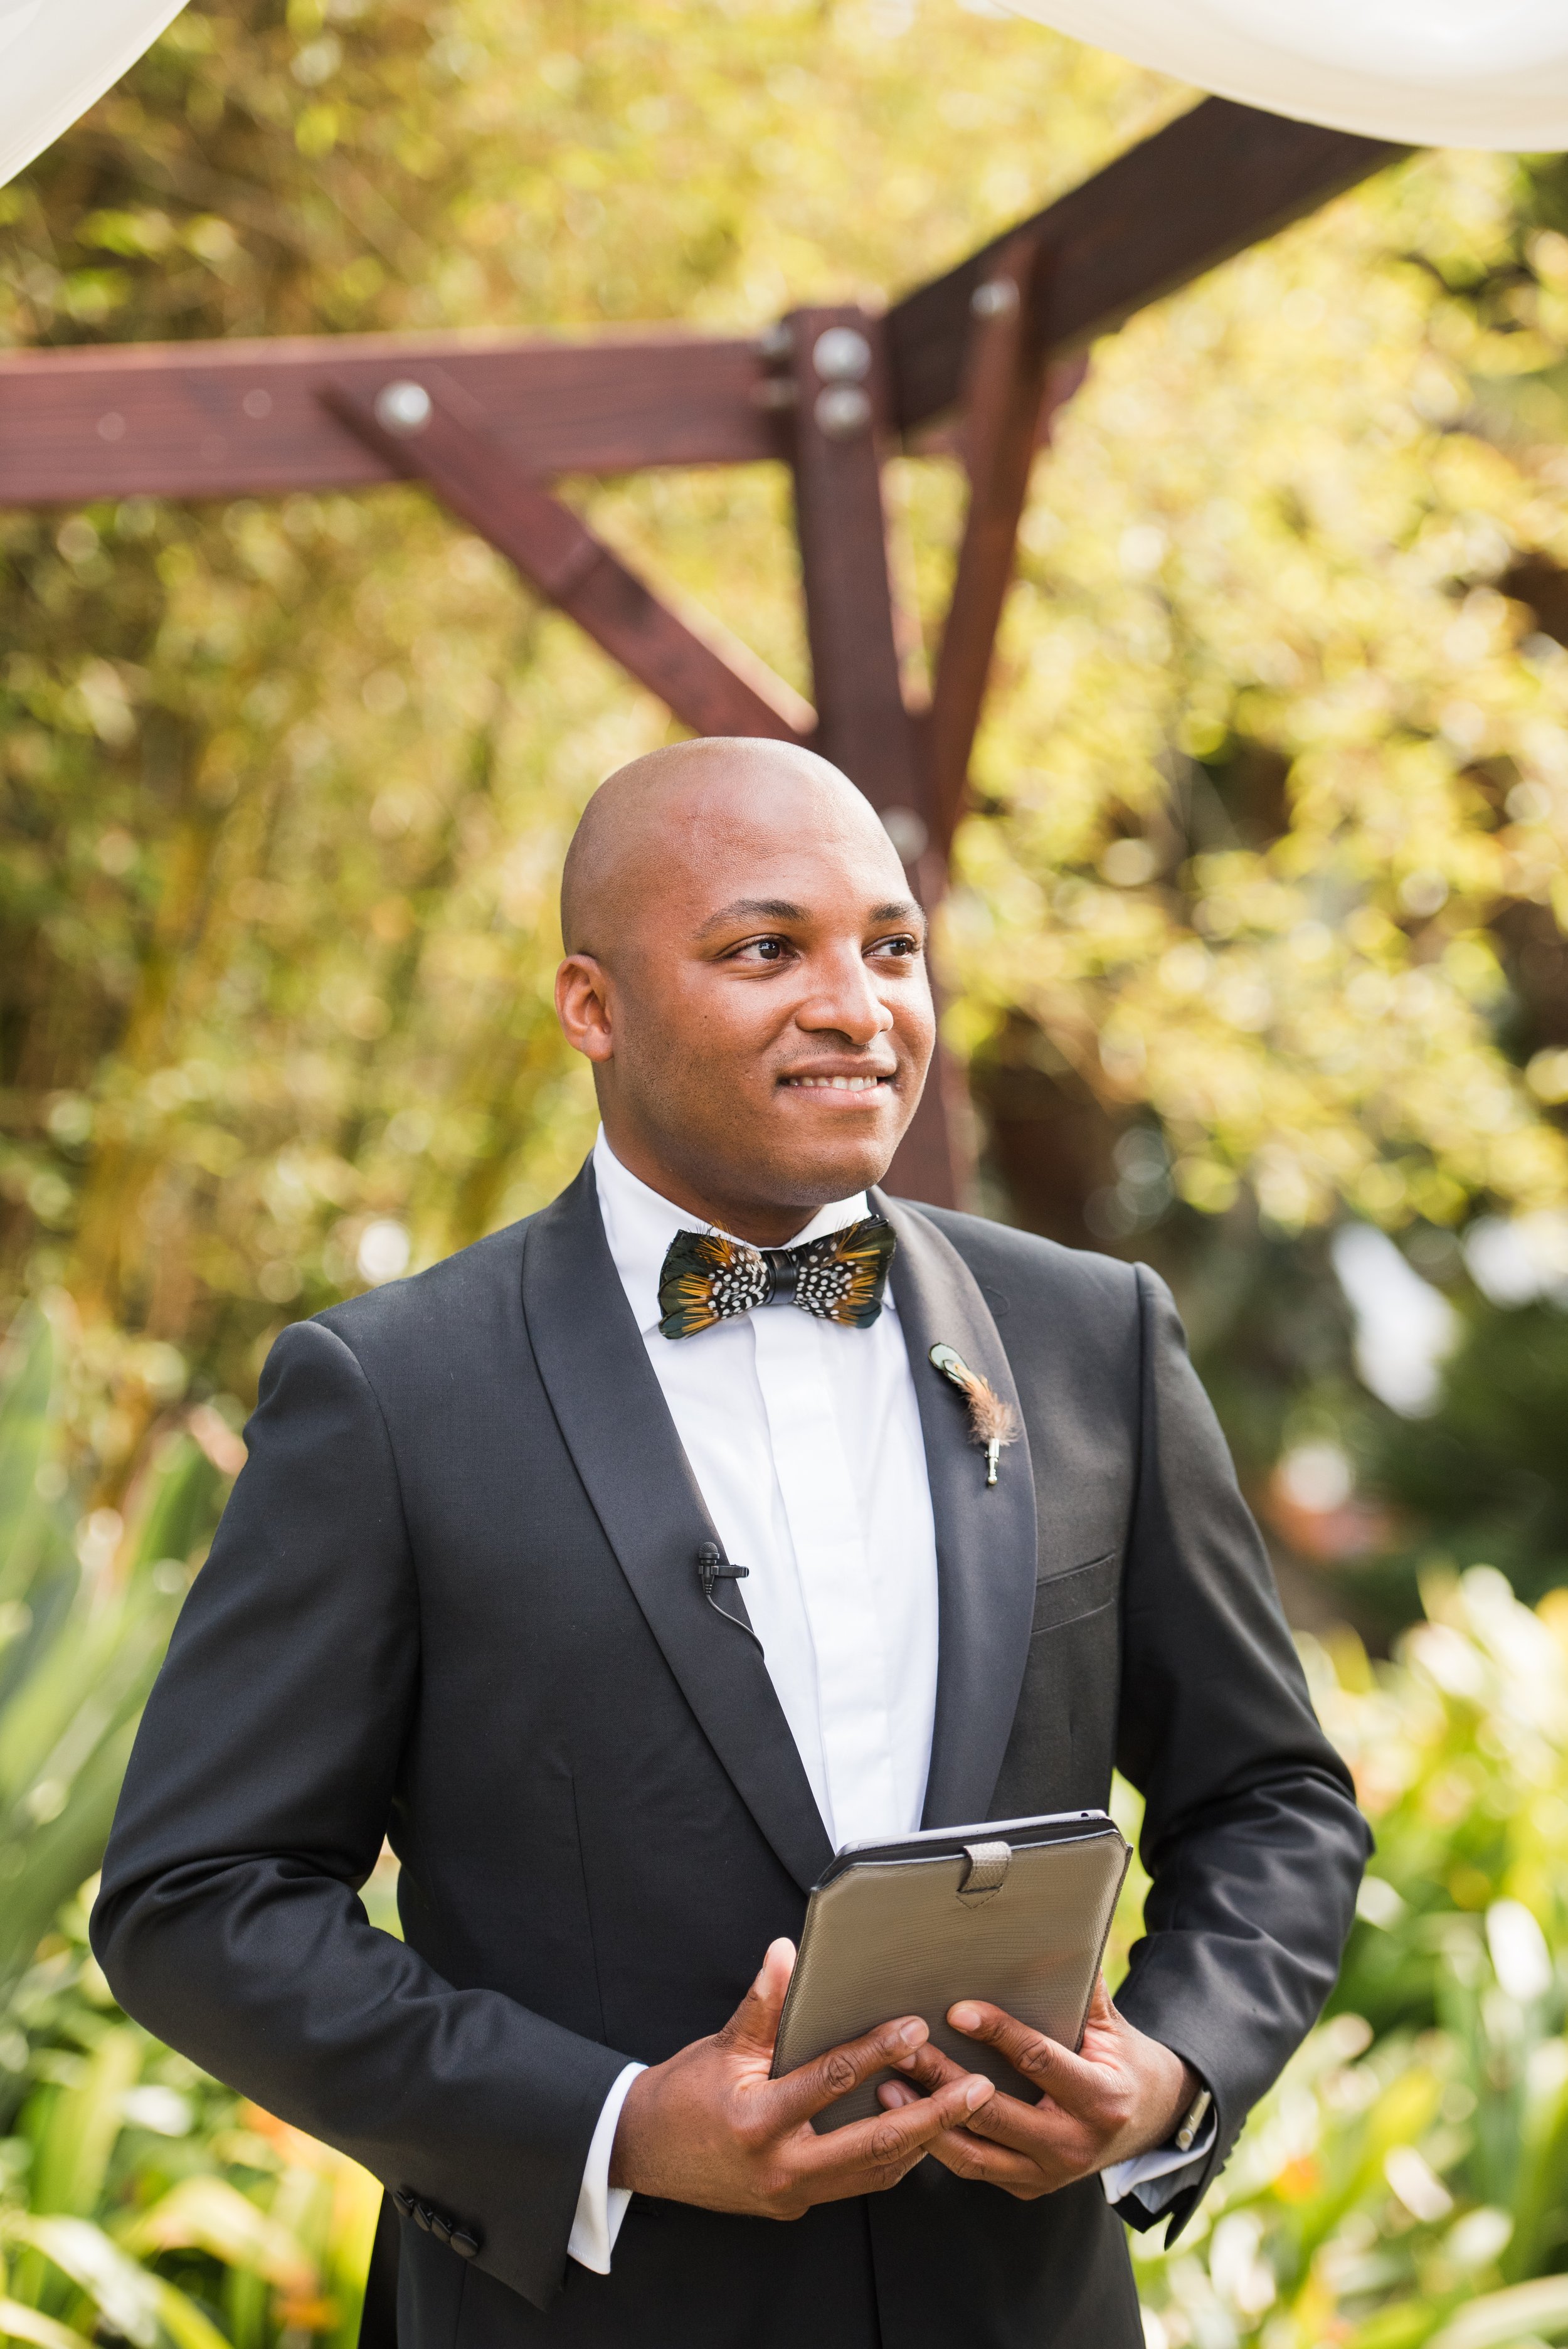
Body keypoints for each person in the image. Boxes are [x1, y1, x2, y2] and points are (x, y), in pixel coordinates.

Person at [92, 738, 1368, 2349]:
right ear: (590, 1006)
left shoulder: (1089, 1335)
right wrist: (613, 2126)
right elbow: (197, 1899)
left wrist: (1162, 2071)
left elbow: (1271, 1798)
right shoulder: (390, 1392)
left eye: (889, 946)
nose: (856, 1004)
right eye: (766, 949)